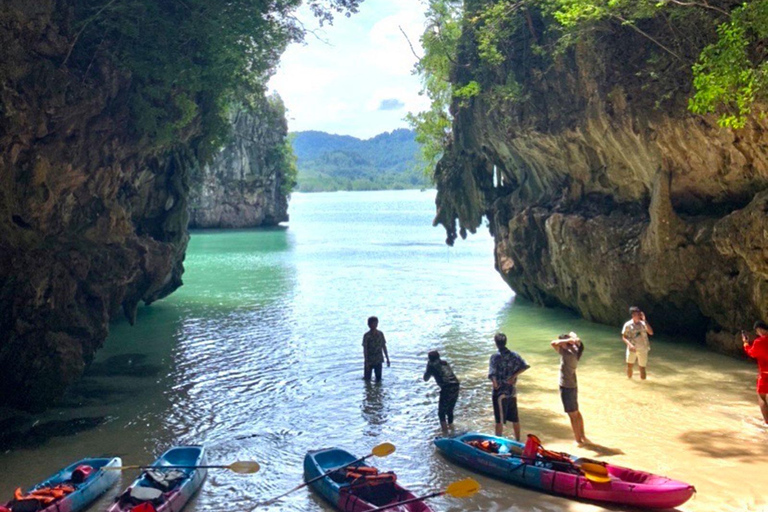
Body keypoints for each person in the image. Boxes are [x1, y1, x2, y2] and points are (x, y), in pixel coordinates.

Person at [489, 333, 530, 440]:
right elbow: (525, 366)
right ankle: (518, 441)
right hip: (511, 392)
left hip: (499, 393)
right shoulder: (514, 355)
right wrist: (513, 376)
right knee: (515, 419)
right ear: (505, 342)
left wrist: (495, 383)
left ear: (496, 343)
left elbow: (492, 373)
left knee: (499, 421)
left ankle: (497, 442)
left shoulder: (495, 357)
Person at [551, 332, 589, 444]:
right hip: (573, 384)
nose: (560, 345)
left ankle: (578, 441)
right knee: (576, 412)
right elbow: (579, 342)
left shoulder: (566, 353)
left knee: (572, 415)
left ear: (565, 344)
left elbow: (553, 343)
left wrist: (567, 340)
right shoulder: (576, 351)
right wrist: (573, 339)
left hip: (566, 386)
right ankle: (583, 436)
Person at [423, 350, 461, 430]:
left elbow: (425, 378)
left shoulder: (431, 365)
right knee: (450, 410)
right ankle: (452, 429)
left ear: (430, 359)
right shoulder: (444, 363)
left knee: (441, 413)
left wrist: (428, 367)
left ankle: (445, 433)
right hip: (456, 385)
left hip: (446, 387)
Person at [742, 320, 768, 425]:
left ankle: (767, 423)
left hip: (765, 373)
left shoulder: (759, 342)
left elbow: (751, 353)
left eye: (757, 331)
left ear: (760, 329)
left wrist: (745, 343)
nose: (757, 334)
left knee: (761, 397)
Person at [622, 306, 654, 379]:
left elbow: (651, 332)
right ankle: (629, 380)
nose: (639, 316)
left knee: (642, 368)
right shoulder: (628, 325)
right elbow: (624, 337)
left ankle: (643, 385)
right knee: (630, 366)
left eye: (640, 314)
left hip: (643, 348)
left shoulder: (643, 324)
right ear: (633, 315)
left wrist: (645, 320)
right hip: (632, 348)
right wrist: (630, 345)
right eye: (637, 314)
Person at [362, 316, 389, 381]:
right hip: (369, 360)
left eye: (376, 323)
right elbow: (365, 349)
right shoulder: (366, 336)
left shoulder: (380, 334)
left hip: (378, 359)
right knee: (367, 379)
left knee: (379, 379)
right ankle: (369, 390)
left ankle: (377, 390)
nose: (375, 325)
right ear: (368, 325)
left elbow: (384, 346)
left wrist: (387, 358)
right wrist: (366, 361)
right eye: (373, 323)